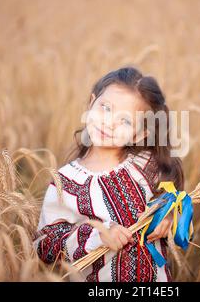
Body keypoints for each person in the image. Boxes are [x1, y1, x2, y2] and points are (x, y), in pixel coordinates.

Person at [33, 66, 184, 282]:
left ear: (140, 134)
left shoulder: (148, 167)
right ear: (91, 103)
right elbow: (45, 245)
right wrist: (97, 235)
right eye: (105, 108)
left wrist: (170, 217)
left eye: (125, 121)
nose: (109, 123)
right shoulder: (65, 182)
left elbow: (178, 204)